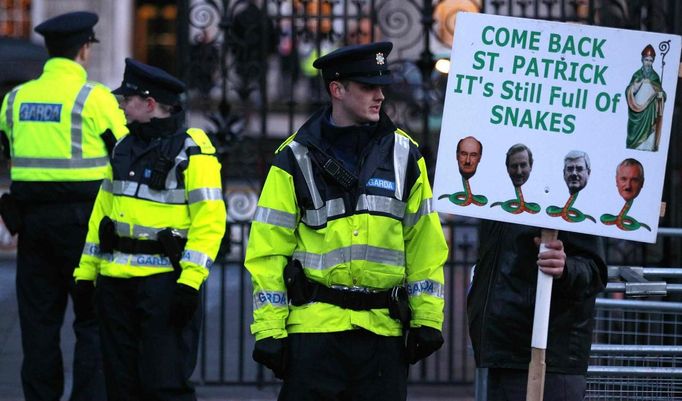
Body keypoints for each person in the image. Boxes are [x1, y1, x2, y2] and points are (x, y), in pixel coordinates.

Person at [245, 42, 448, 401]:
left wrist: (428, 319)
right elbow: (268, 250)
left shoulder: (405, 156)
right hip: (314, 332)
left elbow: (424, 244)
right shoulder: (294, 157)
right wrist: (269, 330)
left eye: (381, 86)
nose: (380, 95)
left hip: (382, 336)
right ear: (337, 89)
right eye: (368, 87)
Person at [73, 58, 226, 400]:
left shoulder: (193, 150)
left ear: (150, 104)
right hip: (116, 284)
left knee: (164, 386)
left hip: (165, 287)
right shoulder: (123, 147)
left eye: (127, 100)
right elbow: (102, 215)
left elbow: (210, 222)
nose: (121, 106)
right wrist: (85, 274)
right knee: (121, 387)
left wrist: (189, 283)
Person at [0, 11, 127, 401]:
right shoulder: (95, 98)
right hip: (86, 226)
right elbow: (124, 153)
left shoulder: (14, 99)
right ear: (83, 50)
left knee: (38, 325)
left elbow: (8, 151)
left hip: (32, 225)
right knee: (91, 321)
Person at [468, 221, 607, 401]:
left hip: (549, 359)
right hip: (503, 352)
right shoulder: (499, 198)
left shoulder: (569, 199)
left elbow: (594, 271)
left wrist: (566, 268)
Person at [626, 44, 666, 151]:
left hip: (650, 112)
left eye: (650, 60)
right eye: (646, 60)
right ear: (642, 60)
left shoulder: (655, 76)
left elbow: (662, 93)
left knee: (649, 140)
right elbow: (629, 90)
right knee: (634, 137)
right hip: (637, 112)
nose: (648, 63)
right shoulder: (637, 74)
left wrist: (661, 95)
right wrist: (635, 86)